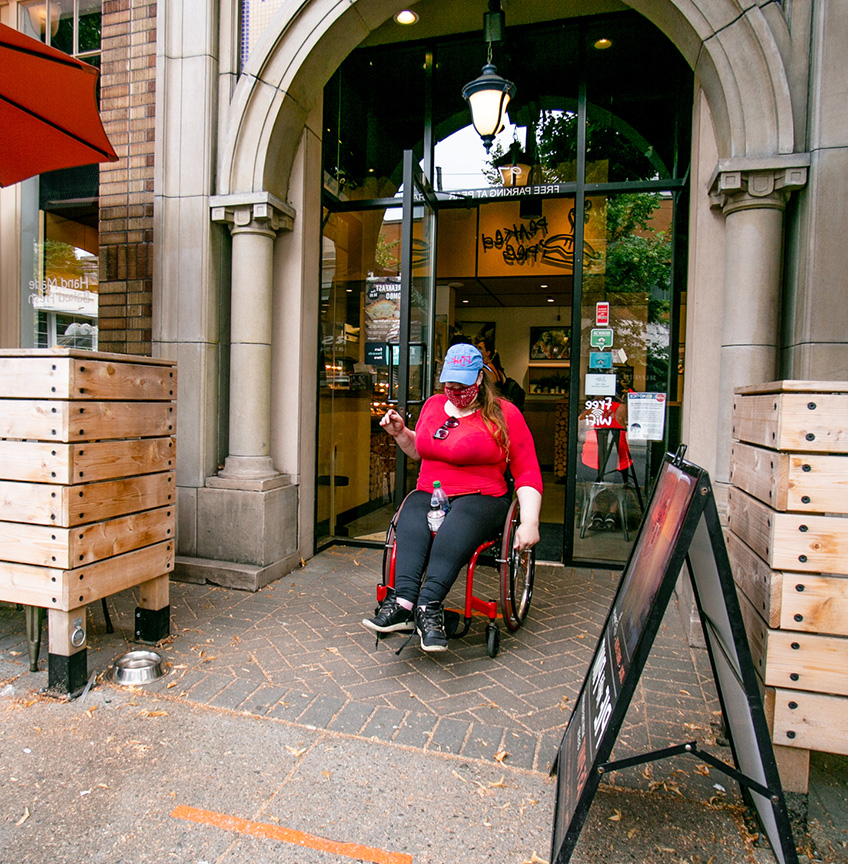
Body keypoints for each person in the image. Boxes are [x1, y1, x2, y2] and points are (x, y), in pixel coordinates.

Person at [363, 343, 543, 653]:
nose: (454, 390)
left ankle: (428, 605)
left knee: (457, 525)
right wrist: (401, 433)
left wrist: (529, 521)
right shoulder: (433, 406)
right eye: (449, 384)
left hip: (481, 495)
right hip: (432, 490)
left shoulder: (504, 413)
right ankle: (404, 602)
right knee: (410, 518)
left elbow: (526, 471)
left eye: (462, 384)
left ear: (479, 380)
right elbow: (421, 451)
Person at [578, 385, 632, 531]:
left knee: (590, 483)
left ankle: (595, 511)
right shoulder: (622, 408)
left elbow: (579, 422)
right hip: (618, 459)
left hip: (591, 460)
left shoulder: (594, 408)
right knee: (619, 485)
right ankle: (612, 513)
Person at [475, 335, 526, 412]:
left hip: (491, 407)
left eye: (480, 348)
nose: (477, 350)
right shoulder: (498, 369)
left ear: (488, 353)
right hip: (500, 406)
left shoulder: (486, 369)